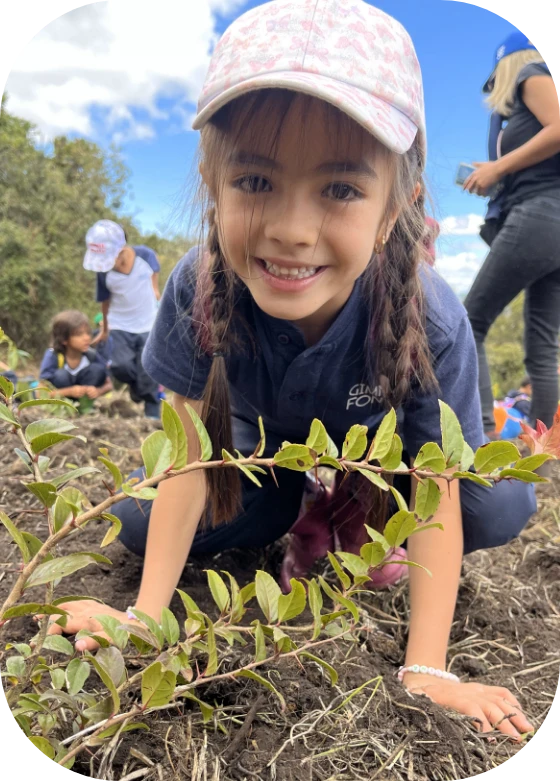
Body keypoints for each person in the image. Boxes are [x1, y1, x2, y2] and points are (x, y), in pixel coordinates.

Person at [46, 1, 535, 741]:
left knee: (492, 508)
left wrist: (428, 667)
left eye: (340, 189)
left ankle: (358, 510)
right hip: (261, 444)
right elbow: (186, 457)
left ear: (394, 203)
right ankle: (303, 504)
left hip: (386, 457)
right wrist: (146, 618)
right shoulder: (194, 285)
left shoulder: (428, 314)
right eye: (255, 181)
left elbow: (435, 485)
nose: (292, 230)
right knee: (138, 525)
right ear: (213, 179)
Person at [462, 31, 560, 443]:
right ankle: (540, 450)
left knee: (469, 323)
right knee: (542, 345)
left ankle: (481, 439)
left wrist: (498, 170)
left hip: (540, 214)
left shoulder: (529, 74)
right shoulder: (522, 102)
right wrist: (493, 174)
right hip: (550, 224)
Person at [83, 220, 161, 418]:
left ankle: (152, 414)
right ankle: (138, 388)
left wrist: (160, 309)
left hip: (147, 323)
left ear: (121, 248)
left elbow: (155, 287)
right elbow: (105, 302)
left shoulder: (146, 256)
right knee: (119, 366)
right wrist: (105, 329)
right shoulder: (104, 272)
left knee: (149, 368)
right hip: (119, 324)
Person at [39, 310, 112, 401]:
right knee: (61, 375)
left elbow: (109, 385)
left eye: (88, 333)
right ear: (64, 339)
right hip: (61, 401)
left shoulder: (91, 355)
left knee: (97, 369)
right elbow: (39, 394)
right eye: (79, 334)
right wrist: (69, 391)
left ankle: (84, 404)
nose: (86, 338)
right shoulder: (53, 356)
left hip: (83, 401)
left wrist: (98, 391)